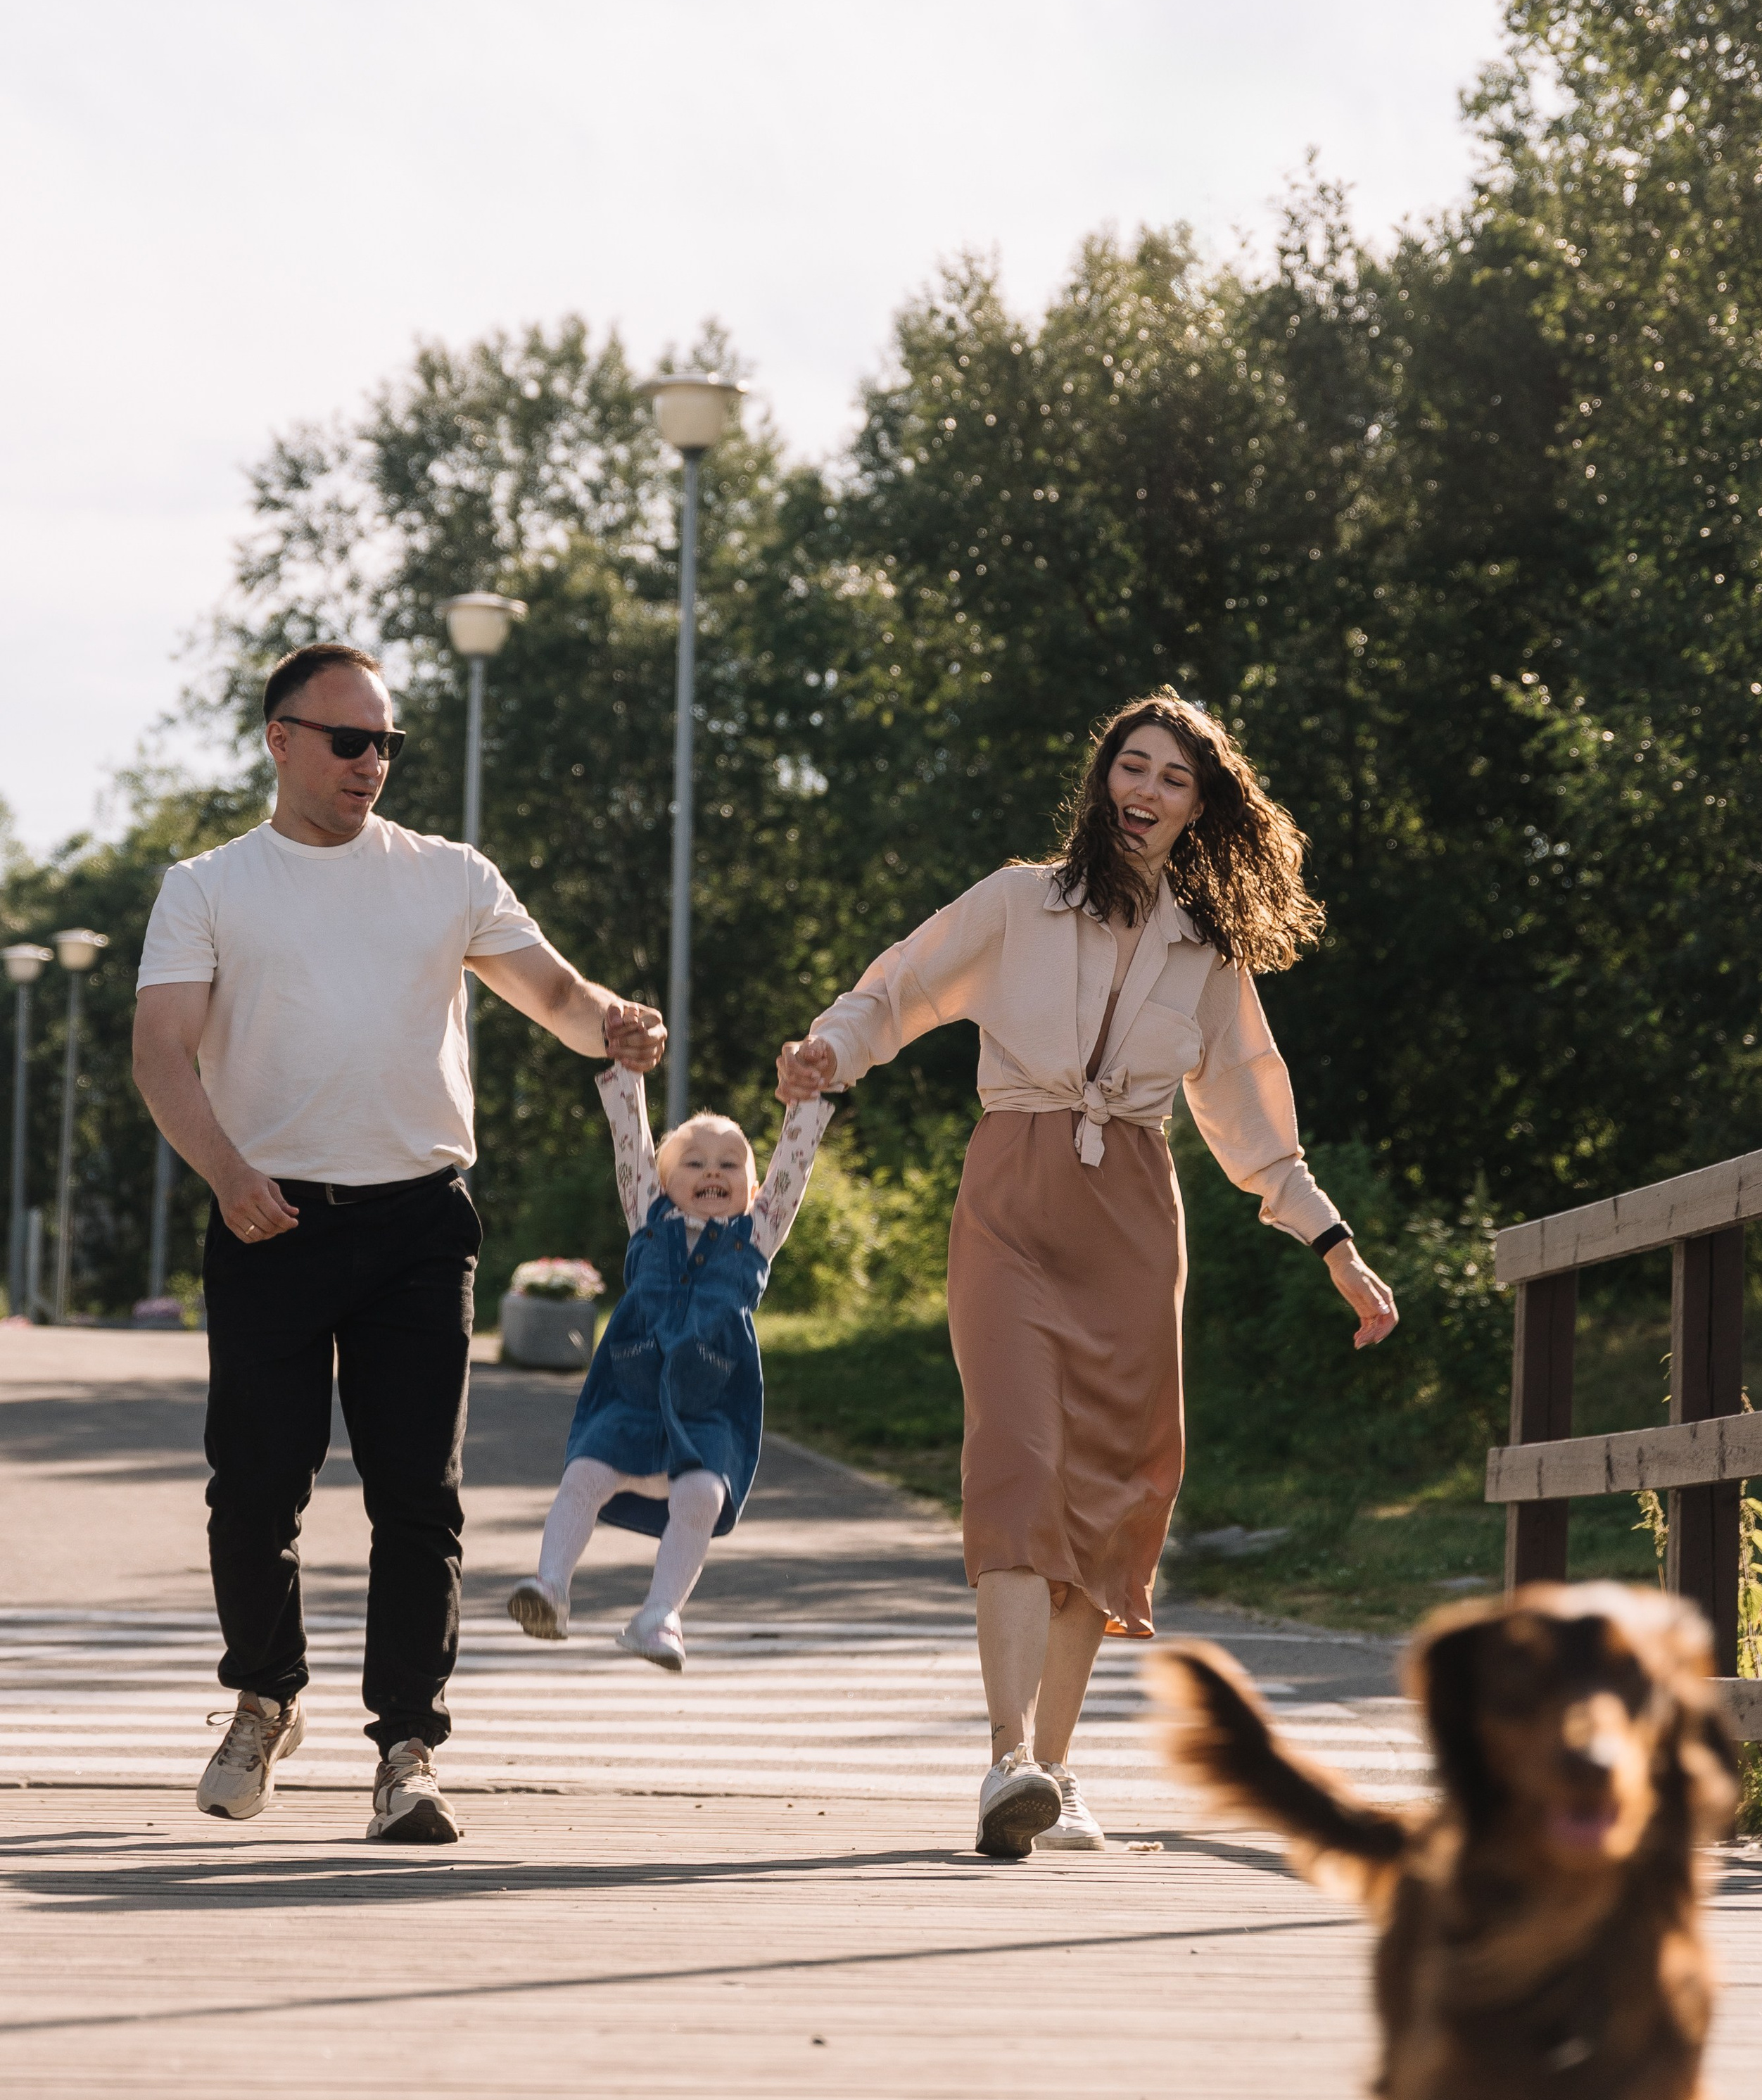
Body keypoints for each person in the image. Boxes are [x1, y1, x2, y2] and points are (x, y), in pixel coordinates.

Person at [778, 688, 1398, 1861]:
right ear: (1101, 781)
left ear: (1198, 807)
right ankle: (1007, 1758)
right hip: (1013, 1195)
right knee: (1016, 1459)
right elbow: (897, 990)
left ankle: (1054, 1776)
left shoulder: (1204, 953)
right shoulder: (1018, 903)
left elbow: (1257, 1125)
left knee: (1114, 1485)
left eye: (1173, 777)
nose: (1146, 791)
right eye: (1132, 766)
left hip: (1131, 1219)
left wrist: (1334, 1244)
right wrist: (832, 1050)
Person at [132, 640, 665, 1845]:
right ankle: (265, 1699)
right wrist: (228, 1177)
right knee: (256, 1487)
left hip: (420, 1222)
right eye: (348, 741)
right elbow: (163, 1051)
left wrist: (616, 1028)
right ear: (281, 740)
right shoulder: (211, 887)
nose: (372, 763)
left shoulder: (448, 875)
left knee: (418, 1496)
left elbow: (563, 997)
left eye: (387, 744)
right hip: (267, 1219)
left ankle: (408, 1750)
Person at [507, 1062, 832, 1669]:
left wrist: (805, 1106)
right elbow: (628, 1134)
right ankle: (550, 1588)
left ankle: (659, 1617)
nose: (713, 1171)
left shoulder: (757, 1233)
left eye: (730, 1164)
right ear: (659, 1181)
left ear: (754, 1191)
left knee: (703, 1493)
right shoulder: (646, 1217)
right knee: (585, 1476)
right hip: (630, 1390)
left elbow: (794, 1165)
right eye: (695, 1162)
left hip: (710, 1402)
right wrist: (626, 1073)